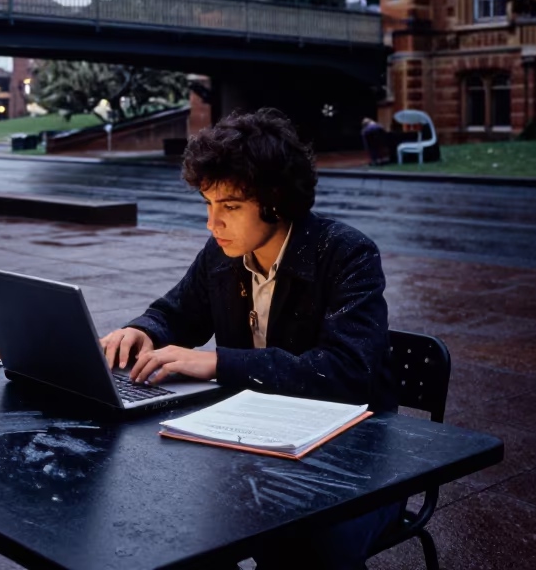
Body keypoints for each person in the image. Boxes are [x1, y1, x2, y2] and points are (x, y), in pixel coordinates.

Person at [100, 108, 398, 570]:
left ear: (275, 200)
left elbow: (345, 373)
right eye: (208, 204)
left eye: (230, 207)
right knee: (167, 526)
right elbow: (177, 312)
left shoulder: (346, 253)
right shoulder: (223, 253)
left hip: (353, 459)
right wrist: (142, 330)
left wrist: (219, 363)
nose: (212, 224)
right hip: (259, 444)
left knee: (302, 546)